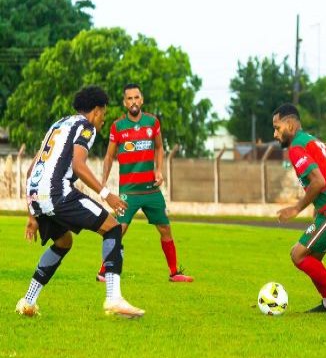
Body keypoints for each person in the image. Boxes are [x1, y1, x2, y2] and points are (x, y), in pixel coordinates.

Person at [16, 86, 144, 318]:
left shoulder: (59, 125)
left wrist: (32, 214)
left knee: (64, 242)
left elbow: (30, 170)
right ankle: (114, 298)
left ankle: (28, 301)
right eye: (103, 115)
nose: (103, 120)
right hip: (58, 194)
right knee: (113, 227)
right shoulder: (86, 127)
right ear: (96, 111)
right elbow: (78, 165)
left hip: (37, 195)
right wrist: (107, 195)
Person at [96, 83, 193, 282]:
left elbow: (159, 148)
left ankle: (174, 273)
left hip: (151, 190)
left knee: (165, 228)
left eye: (136, 97)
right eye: (129, 98)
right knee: (118, 229)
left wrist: (159, 170)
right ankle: (103, 272)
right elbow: (108, 156)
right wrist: (103, 182)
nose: (133, 102)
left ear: (142, 100)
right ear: (124, 103)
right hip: (128, 192)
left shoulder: (152, 122)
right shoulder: (118, 126)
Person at [272, 103, 326, 314]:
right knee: (311, 259)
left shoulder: (296, 148)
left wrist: (296, 208)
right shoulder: (315, 142)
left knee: (298, 255)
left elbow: (318, 182)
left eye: (277, 127)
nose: (275, 134)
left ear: (290, 124)